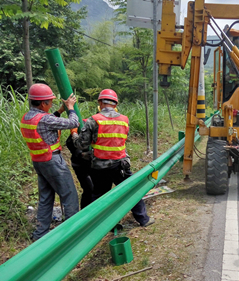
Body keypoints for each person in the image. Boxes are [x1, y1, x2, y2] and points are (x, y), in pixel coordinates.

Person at [74, 89, 154, 227]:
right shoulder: (124, 120)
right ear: (115, 104)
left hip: (100, 167)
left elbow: (82, 144)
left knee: (99, 197)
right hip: (120, 165)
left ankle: (103, 224)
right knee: (131, 191)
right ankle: (143, 219)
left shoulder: (94, 120)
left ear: (100, 102)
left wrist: (74, 134)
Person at [20, 83, 80, 240]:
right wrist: (71, 108)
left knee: (46, 198)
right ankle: (73, 234)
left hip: (39, 162)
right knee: (69, 194)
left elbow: (48, 121)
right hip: (53, 162)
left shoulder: (27, 117)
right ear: (42, 103)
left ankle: (40, 234)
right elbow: (73, 122)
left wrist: (60, 111)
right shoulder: (45, 119)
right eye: (50, 102)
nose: (51, 104)